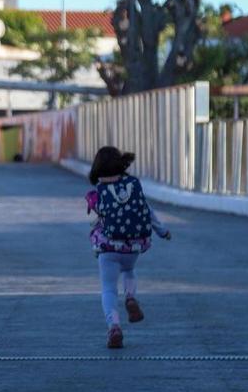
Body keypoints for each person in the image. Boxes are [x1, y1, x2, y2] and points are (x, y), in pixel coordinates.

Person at [85, 146, 171, 349]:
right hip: (133, 247)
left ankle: (114, 326)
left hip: (109, 247)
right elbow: (147, 211)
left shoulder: (98, 191)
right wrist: (162, 231)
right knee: (129, 270)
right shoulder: (134, 185)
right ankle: (131, 297)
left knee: (108, 289)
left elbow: (99, 213)